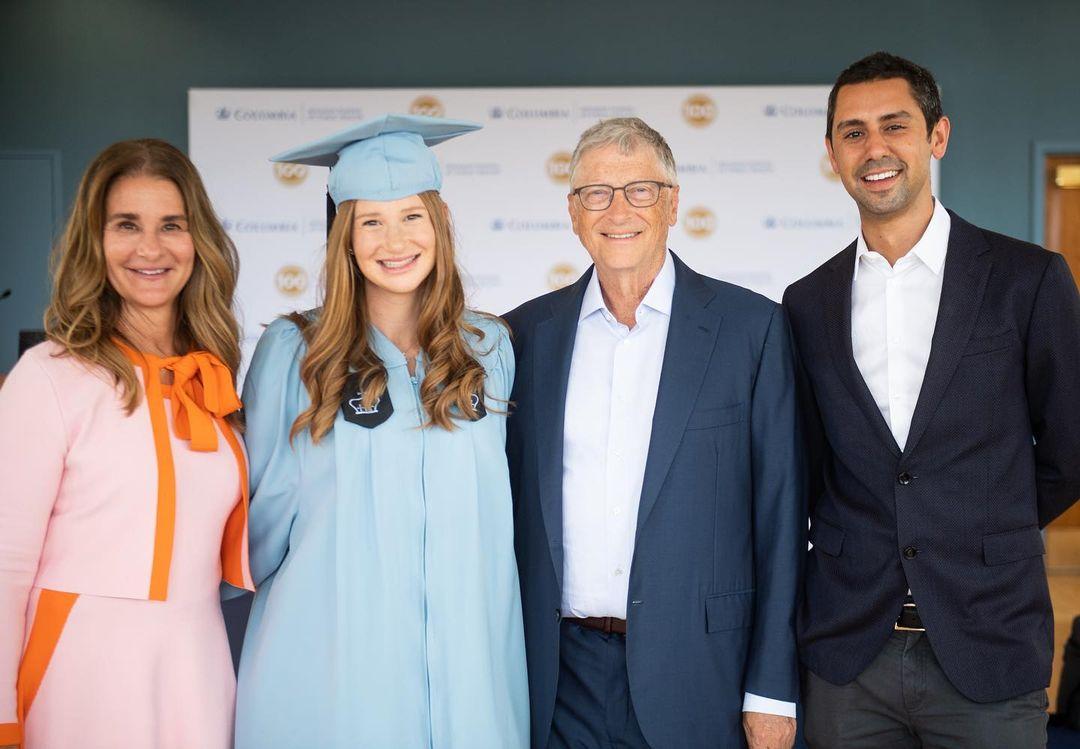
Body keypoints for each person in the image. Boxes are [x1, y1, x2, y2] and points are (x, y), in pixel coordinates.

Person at [784, 51, 1080, 748]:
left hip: (988, 645)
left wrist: (985, 524)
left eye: (895, 125)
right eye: (853, 132)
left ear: (937, 136)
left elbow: (1070, 447)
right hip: (848, 660)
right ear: (831, 153)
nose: (874, 148)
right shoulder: (807, 302)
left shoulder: (1027, 279)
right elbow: (811, 469)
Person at [504, 117, 803, 749]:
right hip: (556, 678)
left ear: (671, 204)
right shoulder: (522, 337)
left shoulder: (752, 330)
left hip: (701, 676)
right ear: (573, 212)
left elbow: (781, 522)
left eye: (640, 190)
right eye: (596, 193)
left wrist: (772, 690)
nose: (618, 210)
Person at [234, 114, 529, 749]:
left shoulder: (488, 348)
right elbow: (261, 519)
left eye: (411, 216)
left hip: (469, 664)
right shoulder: (297, 351)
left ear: (439, 224)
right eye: (371, 221)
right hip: (335, 657)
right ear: (344, 235)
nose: (394, 240)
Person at [0, 139, 253, 749]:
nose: (150, 248)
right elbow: (4, 566)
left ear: (199, 243)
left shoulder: (211, 378)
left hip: (197, 663)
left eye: (172, 225)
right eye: (126, 226)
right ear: (97, 240)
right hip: (78, 667)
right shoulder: (50, 375)